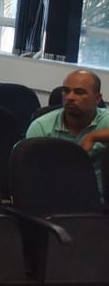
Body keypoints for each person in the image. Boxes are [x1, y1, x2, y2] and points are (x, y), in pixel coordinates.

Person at [27, 68, 109, 196]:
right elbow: (27, 172)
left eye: (79, 92)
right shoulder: (42, 127)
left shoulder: (105, 120)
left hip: (100, 201)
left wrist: (93, 136)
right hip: (56, 199)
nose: (70, 97)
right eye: (66, 91)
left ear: (97, 98)